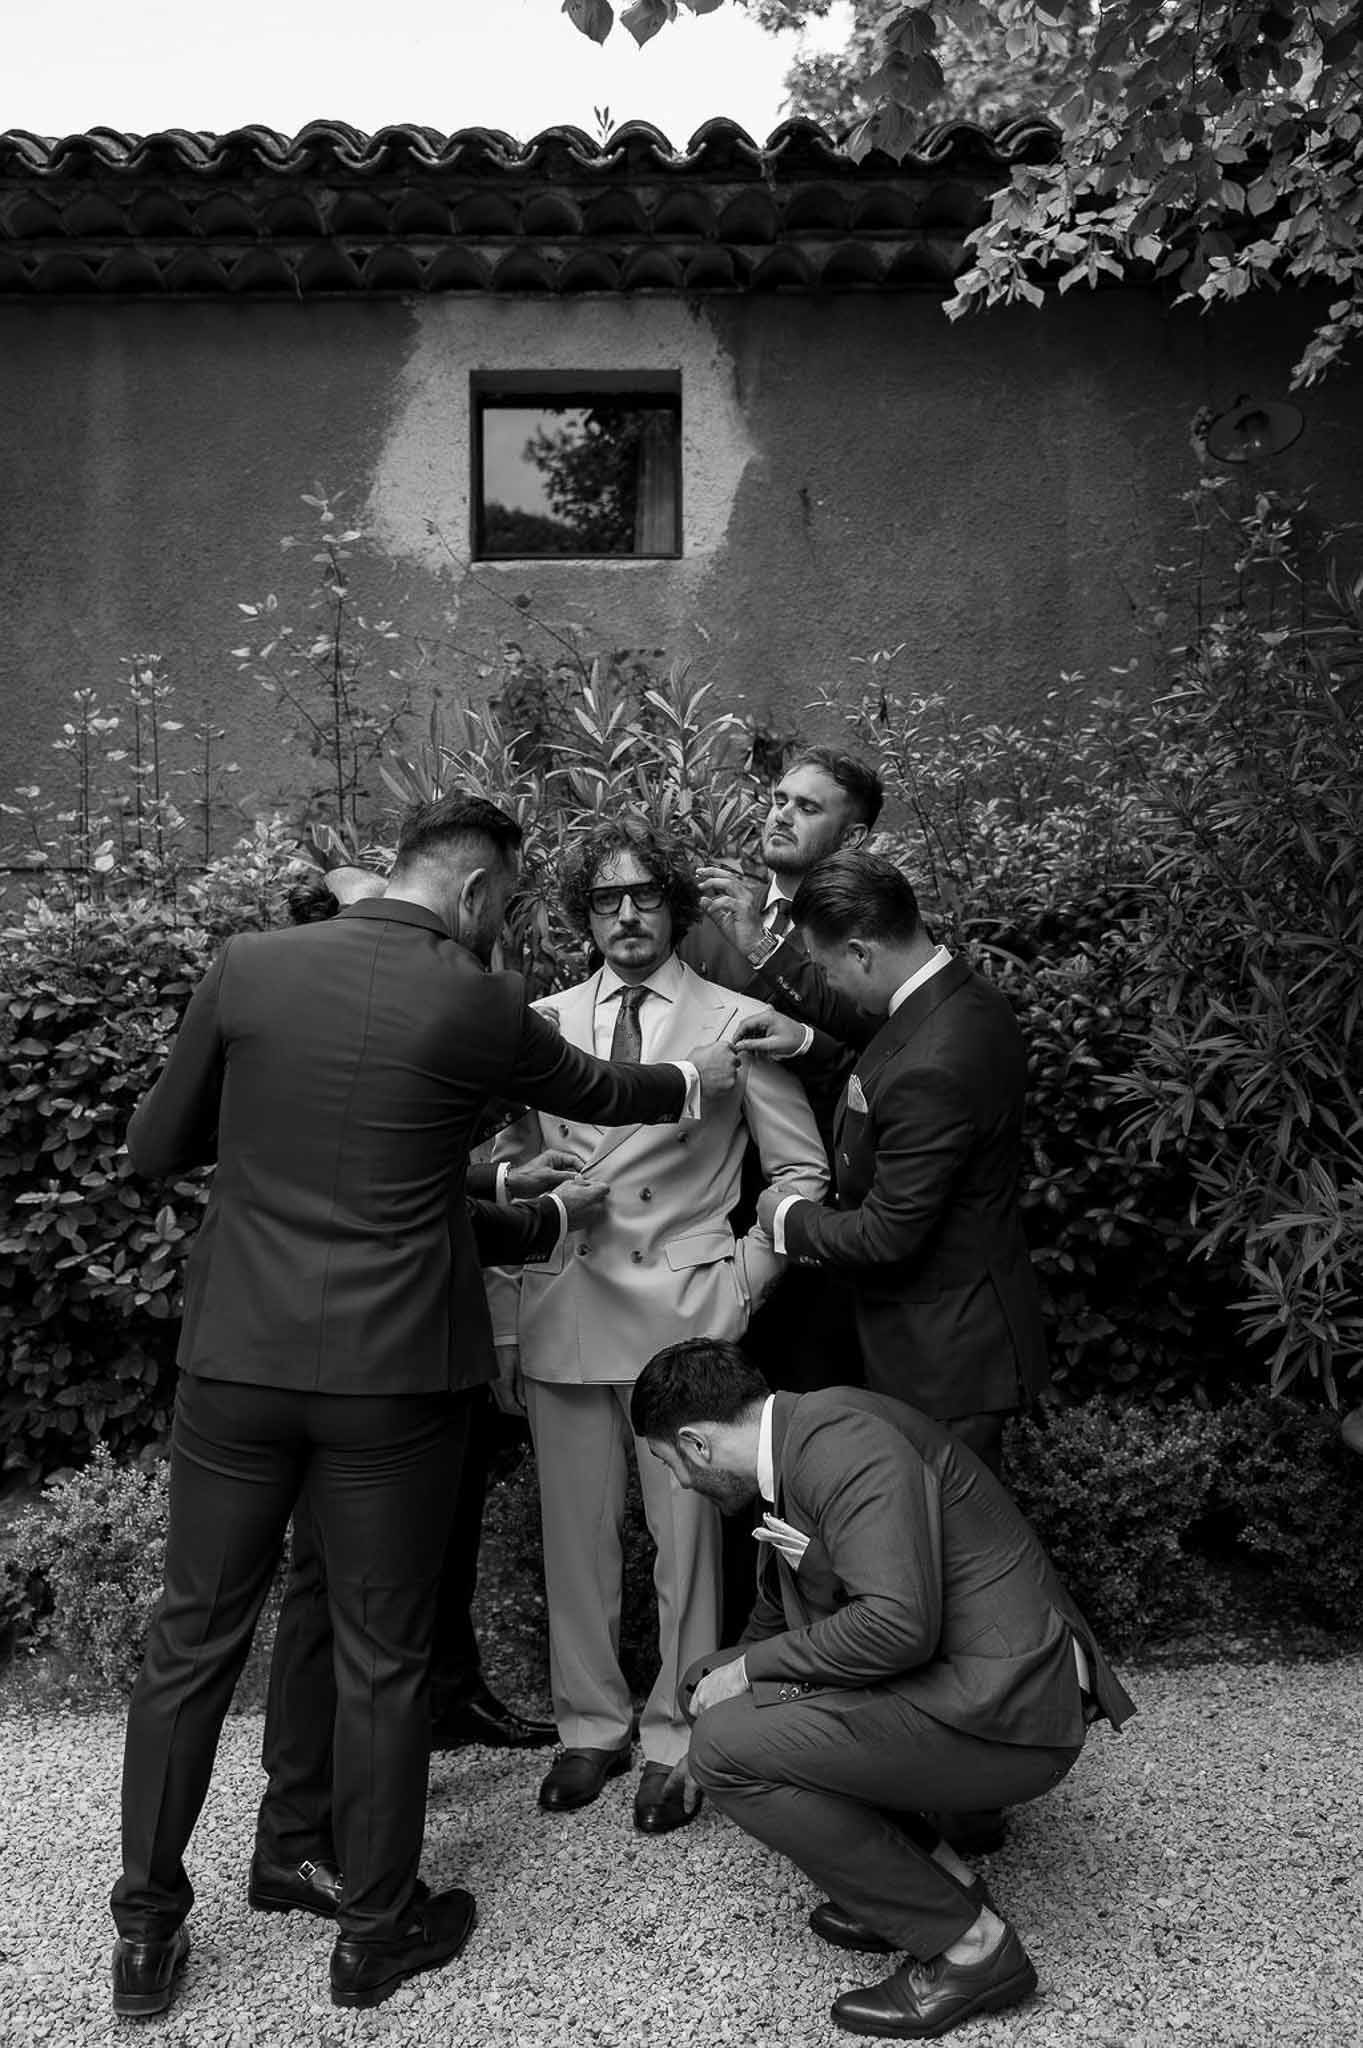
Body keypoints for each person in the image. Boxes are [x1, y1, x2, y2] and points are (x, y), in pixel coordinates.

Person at [110, 793, 741, 2019]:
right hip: (392, 1376)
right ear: (476, 890)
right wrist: (693, 1073)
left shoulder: (249, 966)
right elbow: (608, 1090)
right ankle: (375, 1928)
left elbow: (155, 1146)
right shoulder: (477, 997)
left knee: (190, 1638)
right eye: (504, 904)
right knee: (383, 1650)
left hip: (237, 1360)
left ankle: (144, 1928)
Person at [630, 1340, 1135, 2041]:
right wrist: (720, 1679)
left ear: (695, 1443)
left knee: (727, 1747)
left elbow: (896, 1629)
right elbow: (783, 1609)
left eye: (669, 1464)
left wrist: (745, 1681)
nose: (680, 1484)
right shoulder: (799, 1441)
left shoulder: (842, 1449)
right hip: (958, 1676)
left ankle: (972, 1948)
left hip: (1010, 1706)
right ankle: (938, 1881)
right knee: (705, 1690)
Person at [486, 820, 827, 1835]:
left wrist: (740, 1280)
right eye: (606, 899)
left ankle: (679, 1734)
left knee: (688, 1552)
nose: (626, 915)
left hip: (684, 1320)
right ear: (583, 916)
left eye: (644, 896)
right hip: (564, 1305)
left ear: (674, 907)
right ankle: (589, 1725)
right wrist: (504, 1327)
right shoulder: (537, 1022)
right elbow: (507, 1179)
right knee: (574, 1541)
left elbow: (800, 1172)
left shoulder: (739, 1019)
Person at [298, 857, 562, 1751]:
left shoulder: (414, 1003)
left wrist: (499, 1177)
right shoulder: (302, 1025)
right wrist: (543, 1216)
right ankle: (353, 1758)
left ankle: (448, 1692)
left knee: (446, 1532)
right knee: (352, 1570)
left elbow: (418, 1164)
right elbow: (376, 1183)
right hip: (356, 1351)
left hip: (437, 1333)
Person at [746, 848, 1050, 1478]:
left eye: (826, 969)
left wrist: (786, 1217)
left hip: (945, 1358)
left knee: (944, 1527)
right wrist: (806, 1042)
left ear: (861, 952)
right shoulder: (960, 996)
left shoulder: (934, 1063)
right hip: (952, 1328)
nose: (827, 984)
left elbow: (887, 1235)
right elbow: (884, 1063)